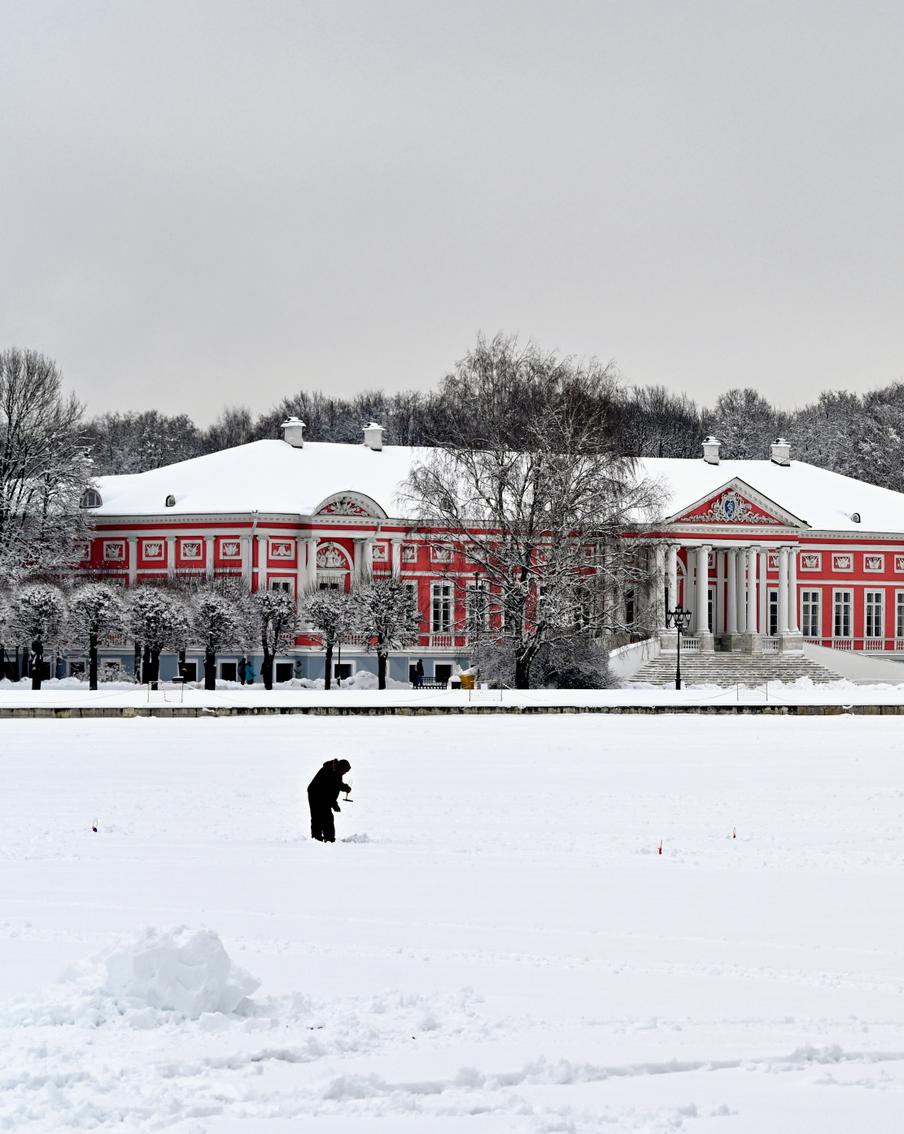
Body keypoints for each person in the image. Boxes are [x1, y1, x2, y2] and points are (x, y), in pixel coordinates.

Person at [307, 758, 352, 842]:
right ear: (340, 767)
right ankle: (318, 838)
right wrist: (334, 804)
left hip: (323, 794)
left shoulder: (337, 772)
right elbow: (329, 790)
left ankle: (328, 838)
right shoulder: (329, 771)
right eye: (345, 770)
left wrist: (345, 788)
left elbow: (336, 785)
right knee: (319, 816)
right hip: (315, 793)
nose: (345, 773)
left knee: (326, 816)